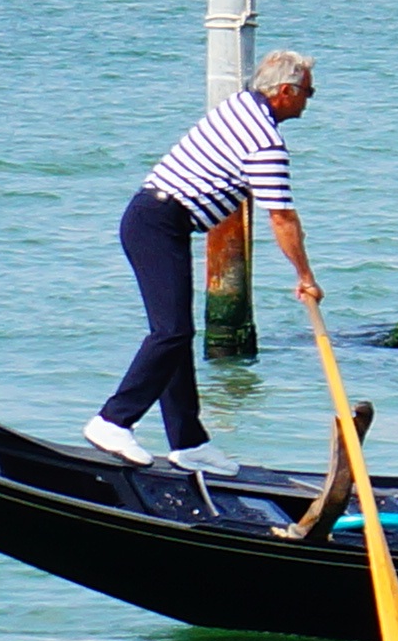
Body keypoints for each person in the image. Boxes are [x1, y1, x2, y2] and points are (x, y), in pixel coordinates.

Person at [87, 48, 321, 467]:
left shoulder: (240, 105)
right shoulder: (266, 142)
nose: (310, 99)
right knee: (172, 333)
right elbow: (282, 216)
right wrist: (305, 275)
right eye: (308, 91)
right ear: (285, 92)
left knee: (177, 333)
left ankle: (188, 441)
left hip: (159, 221)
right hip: (157, 222)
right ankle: (113, 421)